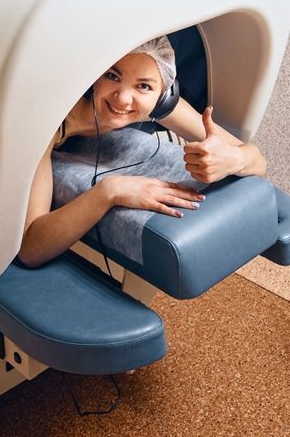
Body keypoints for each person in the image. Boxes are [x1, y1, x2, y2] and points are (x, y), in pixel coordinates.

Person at [18, 36, 268, 268]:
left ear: (164, 95)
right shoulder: (46, 124)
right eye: (112, 75)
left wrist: (232, 159)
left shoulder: (159, 105)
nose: (123, 98)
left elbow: (257, 161)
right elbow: (31, 249)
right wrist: (109, 191)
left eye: (144, 86)